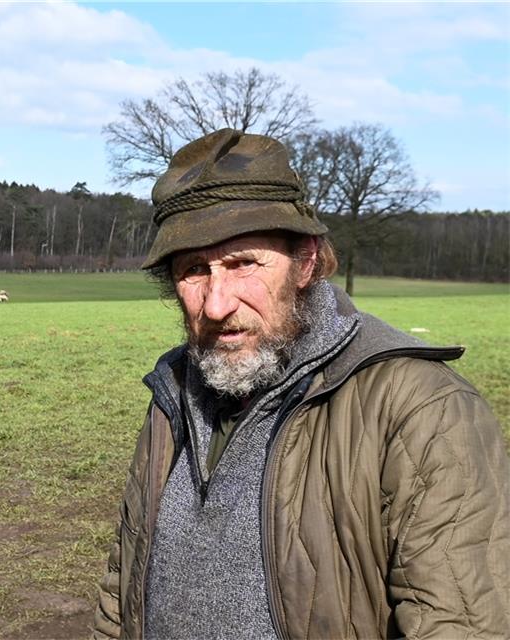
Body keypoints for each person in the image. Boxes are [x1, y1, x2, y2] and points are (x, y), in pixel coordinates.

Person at [92, 128, 510, 639]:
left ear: (306, 261)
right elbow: (123, 584)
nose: (216, 303)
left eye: (243, 263)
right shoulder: (172, 394)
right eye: (193, 270)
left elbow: (462, 624)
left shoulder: (422, 409)